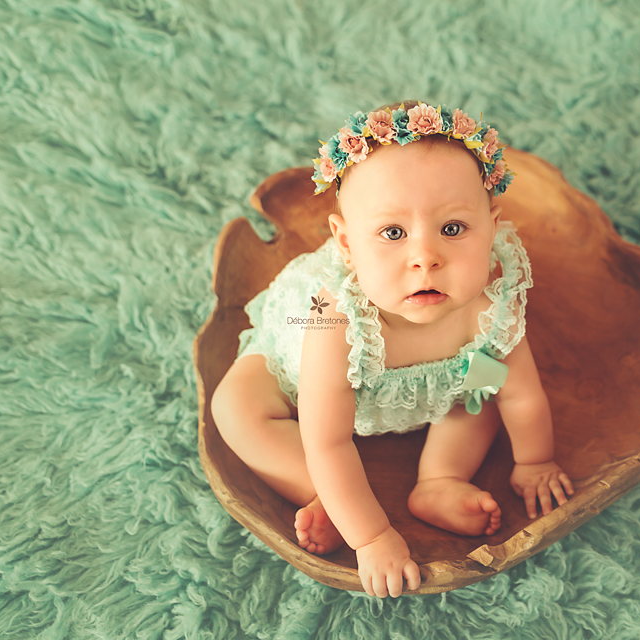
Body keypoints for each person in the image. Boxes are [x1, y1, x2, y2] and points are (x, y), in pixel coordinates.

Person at [212, 101, 574, 598]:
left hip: (436, 387)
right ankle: (321, 493)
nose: (425, 257)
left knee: (486, 383)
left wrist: (534, 461)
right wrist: (373, 537)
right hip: (303, 383)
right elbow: (328, 440)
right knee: (235, 408)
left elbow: (521, 393)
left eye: (452, 229)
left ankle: (440, 479)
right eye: (392, 233)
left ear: (491, 226)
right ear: (345, 242)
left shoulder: (491, 296)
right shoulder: (331, 318)